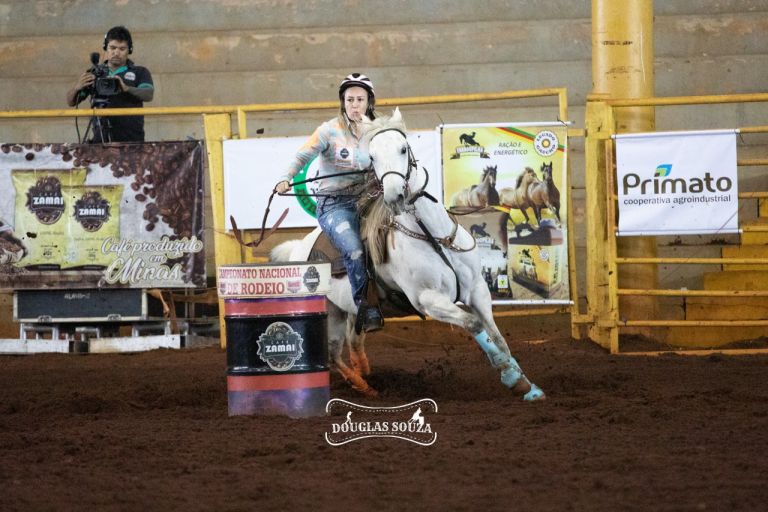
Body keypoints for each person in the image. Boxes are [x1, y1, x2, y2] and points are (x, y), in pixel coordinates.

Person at [276, 72, 384, 333]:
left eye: (360, 99)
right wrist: (285, 178)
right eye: (350, 99)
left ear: (369, 102)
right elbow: (302, 156)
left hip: (369, 201)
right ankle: (365, 307)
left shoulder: (379, 131)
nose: (355, 105)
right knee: (355, 249)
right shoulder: (328, 131)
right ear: (342, 102)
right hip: (335, 204)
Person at [66, 26, 154, 142]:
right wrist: (77, 87)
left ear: (129, 50)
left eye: (122, 49)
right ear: (105, 48)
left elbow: (148, 94)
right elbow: (71, 102)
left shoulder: (140, 72)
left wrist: (126, 88)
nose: (116, 53)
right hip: (100, 140)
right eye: (112, 48)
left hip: (131, 140)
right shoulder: (95, 72)